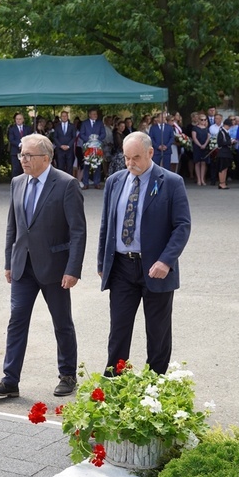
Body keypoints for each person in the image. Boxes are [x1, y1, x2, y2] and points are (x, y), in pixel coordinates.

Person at [0, 133, 87, 399]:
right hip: (22, 267)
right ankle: (10, 380)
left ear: (46, 157)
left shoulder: (66, 184)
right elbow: (13, 226)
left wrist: (73, 269)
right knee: (16, 320)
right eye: (21, 154)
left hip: (55, 268)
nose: (23, 159)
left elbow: (78, 231)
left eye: (28, 155)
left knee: (61, 323)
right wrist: (9, 261)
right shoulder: (17, 182)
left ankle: (67, 375)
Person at [97, 131, 191, 375]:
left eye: (136, 157)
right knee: (119, 329)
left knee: (158, 331)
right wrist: (101, 262)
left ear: (150, 153)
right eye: (127, 158)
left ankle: (155, 385)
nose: (130, 163)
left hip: (156, 268)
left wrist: (166, 261)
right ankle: (115, 382)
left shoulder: (171, 182)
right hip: (121, 267)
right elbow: (106, 224)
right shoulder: (115, 181)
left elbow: (182, 226)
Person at [79, 109, 107, 189]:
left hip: (97, 146)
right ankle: (85, 183)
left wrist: (97, 139)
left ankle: (97, 183)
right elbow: (81, 134)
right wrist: (89, 139)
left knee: (97, 164)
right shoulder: (84, 123)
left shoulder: (100, 123)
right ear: (89, 115)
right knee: (86, 164)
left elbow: (103, 134)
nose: (96, 115)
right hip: (88, 146)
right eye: (94, 114)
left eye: (96, 114)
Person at [7, 112, 32, 178]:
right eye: (17, 119)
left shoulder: (28, 128)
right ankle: (15, 185)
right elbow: (11, 139)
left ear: (23, 120)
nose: (18, 120)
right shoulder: (12, 129)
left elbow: (30, 138)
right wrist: (20, 144)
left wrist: (25, 145)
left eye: (20, 119)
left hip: (26, 153)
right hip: (15, 152)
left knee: (25, 168)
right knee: (15, 169)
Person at [53, 110, 76, 175]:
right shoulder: (57, 126)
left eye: (65, 116)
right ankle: (61, 183)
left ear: (67, 117)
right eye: (63, 116)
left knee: (69, 167)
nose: (64, 117)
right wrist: (60, 146)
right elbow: (55, 137)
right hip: (60, 150)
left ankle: (69, 183)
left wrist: (68, 146)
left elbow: (74, 137)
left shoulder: (72, 126)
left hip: (69, 150)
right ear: (61, 117)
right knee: (60, 167)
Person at [191, 114, 210, 186]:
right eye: (202, 119)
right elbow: (194, 138)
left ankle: (202, 179)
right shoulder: (195, 128)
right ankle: (198, 179)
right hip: (197, 147)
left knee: (203, 163)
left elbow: (208, 137)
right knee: (197, 162)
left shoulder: (206, 128)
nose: (203, 121)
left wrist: (205, 145)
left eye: (205, 119)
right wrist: (200, 145)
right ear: (198, 120)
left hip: (205, 147)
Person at [216, 117, 234, 189]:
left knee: (225, 168)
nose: (229, 127)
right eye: (229, 126)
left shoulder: (225, 132)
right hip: (222, 152)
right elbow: (220, 142)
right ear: (226, 125)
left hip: (226, 152)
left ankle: (223, 182)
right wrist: (230, 142)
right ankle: (221, 183)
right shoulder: (221, 132)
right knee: (222, 168)